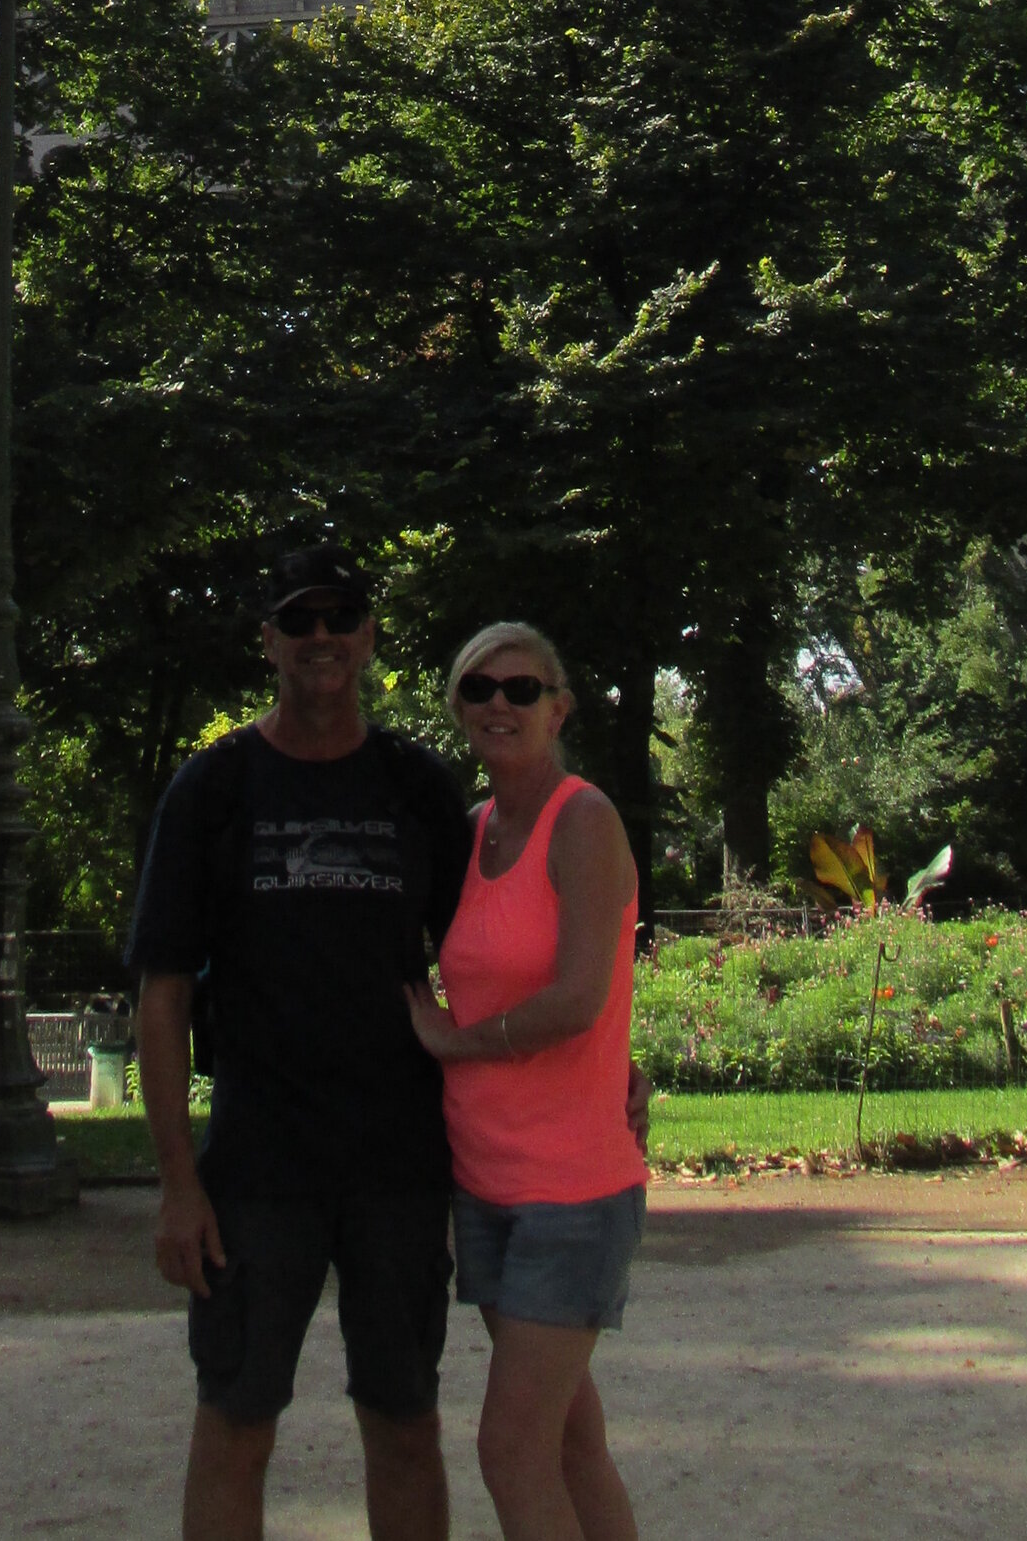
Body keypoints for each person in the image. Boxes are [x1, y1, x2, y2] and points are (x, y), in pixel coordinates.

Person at [129, 541, 471, 1541]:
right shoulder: (215, 790)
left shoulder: (415, 786)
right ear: (267, 641)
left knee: (404, 1418)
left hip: (398, 1159)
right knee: (236, 1421)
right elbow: (160, 991)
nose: (320, 638)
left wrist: (593, 1067)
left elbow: (493, 958)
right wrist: (178, 1182)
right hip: (256, 1167)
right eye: (298, 621)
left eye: (339, 619)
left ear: (367, 638)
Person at [405, 625, 646, 1541]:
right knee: (571, 1444)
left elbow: (580, 999)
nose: (498, 701)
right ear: (458, 702)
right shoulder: (466, 833)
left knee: (509, 1449)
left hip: (571, 1194)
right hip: (488, 1185)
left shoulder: (583, 819)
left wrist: (453, 1041)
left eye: (521, 685)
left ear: (560, 705)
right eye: (478, 685)